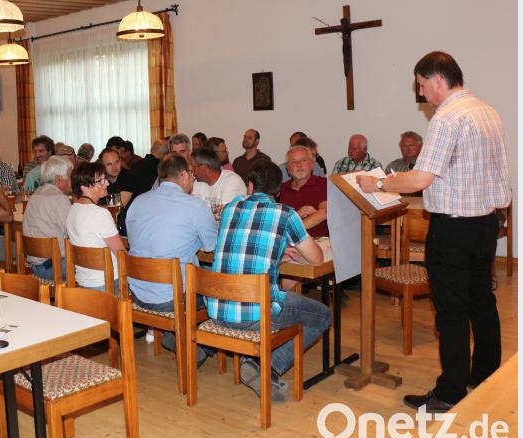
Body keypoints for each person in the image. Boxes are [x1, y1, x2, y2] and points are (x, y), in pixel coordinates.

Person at [357, 51, 511, 412]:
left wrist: (378, 182)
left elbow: (420, 178)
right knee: (482, 300)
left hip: (454, 229)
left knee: (452, 311)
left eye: (423, 86)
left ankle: (449, 393)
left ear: (438, 79)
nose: (423, 95)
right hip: (486, 223)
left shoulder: (447, 117)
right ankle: (486, 372)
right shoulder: (487, 111)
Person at [211, 161, 331, 401]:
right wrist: (284, 245)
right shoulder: (286, 213)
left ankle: (257, 363)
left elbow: (247, 237)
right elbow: (317, 259)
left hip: (217, 308)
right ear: (278, 191)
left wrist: (278, 248)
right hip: (256, 313)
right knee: (323, 315)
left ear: (250, 186)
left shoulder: (232, 207)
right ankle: (268, 366)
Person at [126, 153, 218, 362]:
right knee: (217, 297)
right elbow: (212, 245)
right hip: (173, 298)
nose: (193, 179)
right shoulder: (194, 206)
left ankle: (174, 337)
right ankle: (191, 346)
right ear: (184, 174)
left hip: (137, 292)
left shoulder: (139, 201)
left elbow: (134, 242)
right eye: (192, 174)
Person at [66, 162, 125, 292]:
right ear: (85, 187)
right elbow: (121, 255)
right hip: (107, 282)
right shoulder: (100, 214)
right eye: (101, 181)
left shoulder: (72, 210)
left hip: (83, 281)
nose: (107, 183)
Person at [22, 156, 73, 282]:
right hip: (53, 267)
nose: (73, 180)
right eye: (70, 176)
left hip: (36, 265)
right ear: (60, 180)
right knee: (96, 266)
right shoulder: (60, 200)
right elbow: (75, 231)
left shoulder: (36, 195)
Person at [278, 146, 329, 237]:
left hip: (319, 244)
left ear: (312, 164)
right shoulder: (281, 189)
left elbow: (325, 212)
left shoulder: (323, 183)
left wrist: (293, 226)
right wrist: (297, 216)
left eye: (303, 160)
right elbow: (277, 222)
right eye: (294, 161)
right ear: (287, 168)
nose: (299, 165)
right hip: (289, 245)